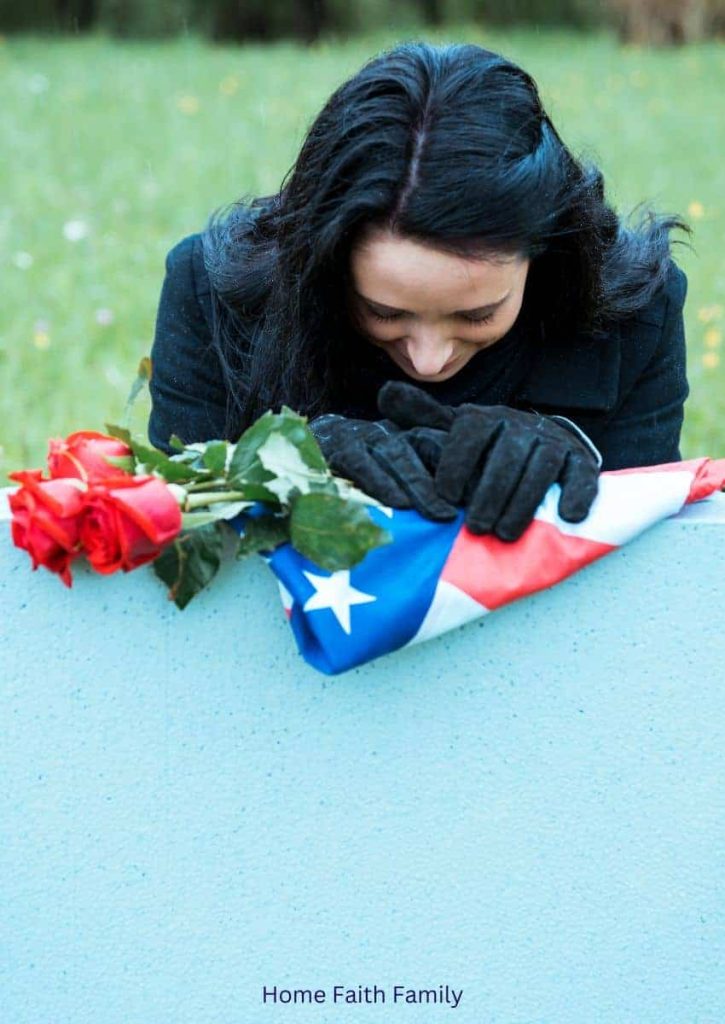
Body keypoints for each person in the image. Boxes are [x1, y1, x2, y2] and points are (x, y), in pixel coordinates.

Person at [148, 40, 691, 542]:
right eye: (383, 312)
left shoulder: (635, 314)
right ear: (323, 266)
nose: (428, 361)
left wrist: (575, 450)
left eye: (477, 315)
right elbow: (181, 525)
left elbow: (647, 566)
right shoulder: (217, 296)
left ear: (546, 256)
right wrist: (286, 462)